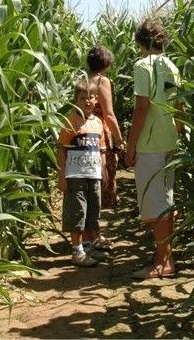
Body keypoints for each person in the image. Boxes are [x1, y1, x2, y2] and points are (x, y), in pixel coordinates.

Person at [124, 18, 181, 279]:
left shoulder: (142, 66)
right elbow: (180, 106)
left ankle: (163, 263)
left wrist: (130, 145)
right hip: (169, 140)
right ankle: (165, 257)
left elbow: (141, 108)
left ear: (139, 42)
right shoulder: (171, 65)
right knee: (166, 200)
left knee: (156, 203)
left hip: (150, 143)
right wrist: (177, 132)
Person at [56, 78, 110, 267]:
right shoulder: (70, 122)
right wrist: (61, 175)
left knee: (92, 211)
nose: (87, 101)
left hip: (93, 175)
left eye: (91, 97)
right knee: (77, 212)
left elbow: (102, 150)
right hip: (75, 176)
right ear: (75, 100)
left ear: (96, 100)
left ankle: (87, 248)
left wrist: (103, 170)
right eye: (82, 98)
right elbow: (61, 149)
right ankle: (77, 251)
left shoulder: (98, 123)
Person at [86, 45, 125, 213]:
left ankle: (89, 231)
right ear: (107, 63)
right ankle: (95, 232)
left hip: (84, 134)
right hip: (100, 135)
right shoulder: (102, 81)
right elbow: (108, 114)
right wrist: (119, 140)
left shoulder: (84, 79)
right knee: (104, 178)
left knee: (89, 180)